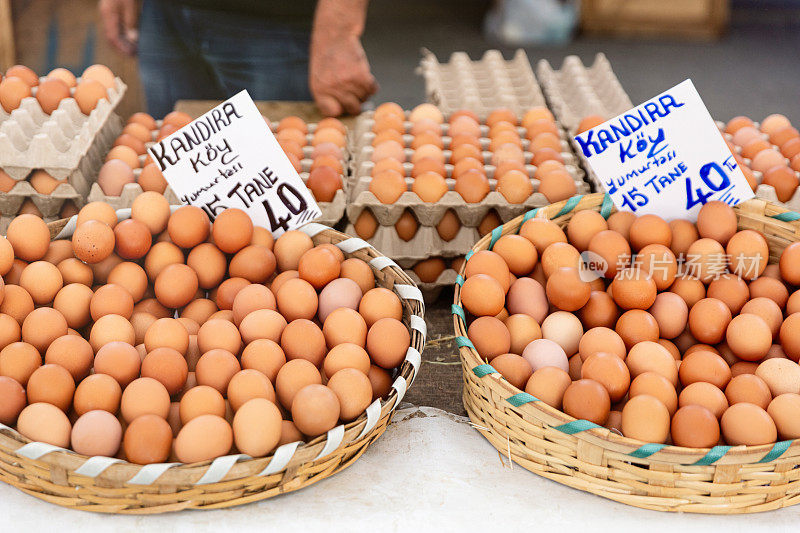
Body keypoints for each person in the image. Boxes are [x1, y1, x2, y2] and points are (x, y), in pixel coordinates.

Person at [99, 0, 378, 118]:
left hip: (277, 23)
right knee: (176, 196)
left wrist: (340, 27)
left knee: (296, 218)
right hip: (163, 14)